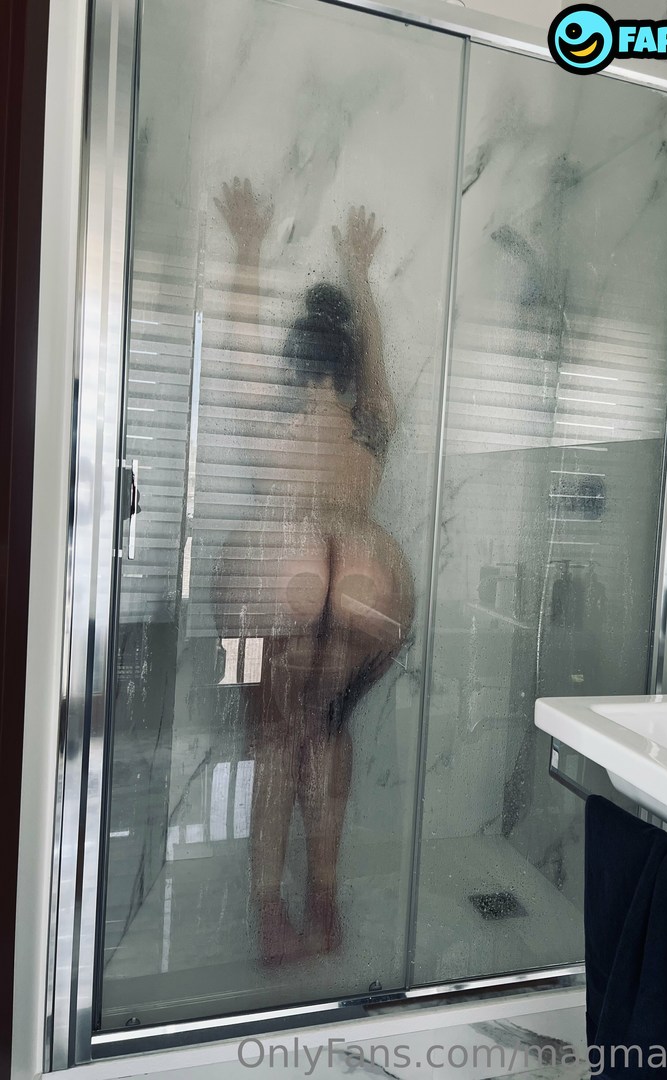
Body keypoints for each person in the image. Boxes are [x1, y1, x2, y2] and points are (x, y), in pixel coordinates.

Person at [213, 178, 413, 963]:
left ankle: (271, 916)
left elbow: (236, 344)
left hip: (280, 567)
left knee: (273, 741)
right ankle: (324, 902)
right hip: (370, 575)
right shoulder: (373, 421)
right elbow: (379, 355)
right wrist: (360, 271)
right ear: (350, 363)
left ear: (295, 357)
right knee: (328, 730)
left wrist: (248, 247)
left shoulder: (272, 415)